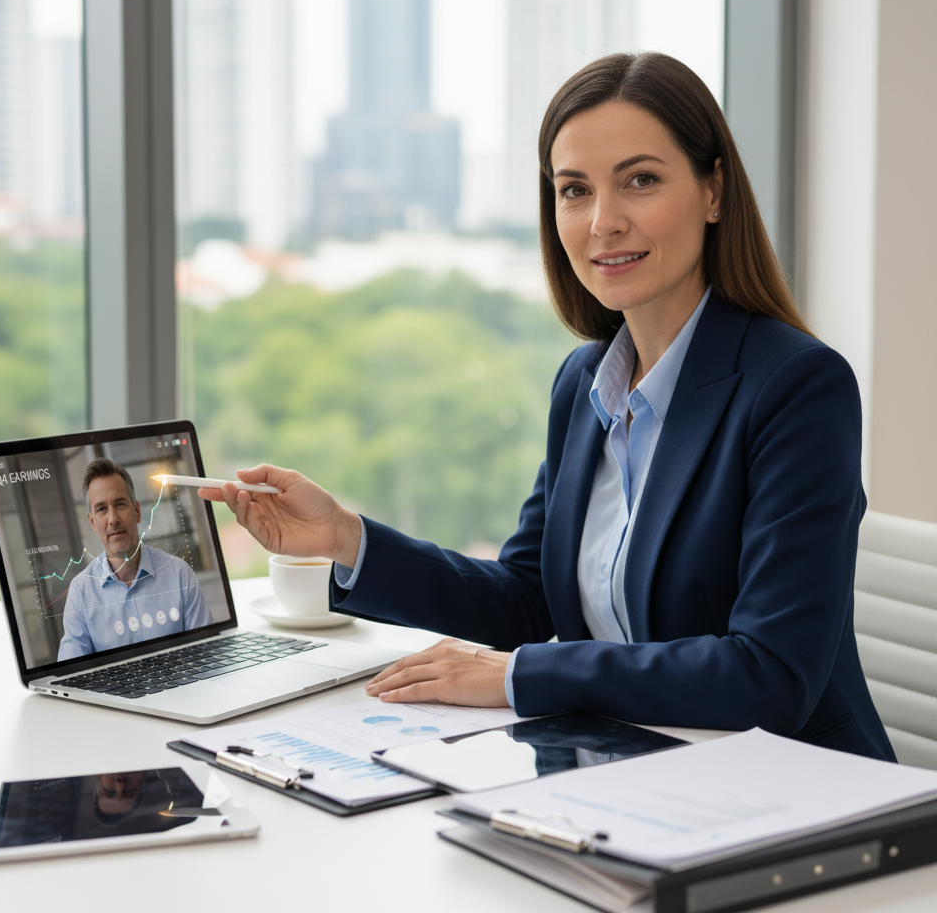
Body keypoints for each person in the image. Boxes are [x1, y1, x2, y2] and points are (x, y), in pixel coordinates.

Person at [200, 53, 894, 761]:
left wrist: (521, 675)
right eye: (574, 190)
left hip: (789, 787)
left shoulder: (796, 387)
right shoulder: (586, 382)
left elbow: (770, 674)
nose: (603, 222)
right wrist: (348, 540)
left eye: (641, 181)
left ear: (714, 190)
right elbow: (526, 600)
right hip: (626, 765)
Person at [58, 457, 212, 660]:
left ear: (137, 511)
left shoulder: (180, 575)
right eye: (102, 509)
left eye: (120, 504)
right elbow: (72, 677)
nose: (113, 519)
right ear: (93, 522)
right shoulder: (80, 593)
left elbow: (207, 658)